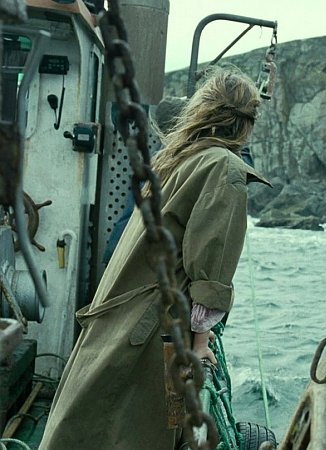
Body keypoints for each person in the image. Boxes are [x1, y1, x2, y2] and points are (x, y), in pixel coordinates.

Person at [40, 67, 270, 449]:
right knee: (134, 432)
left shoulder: (178, 157)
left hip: (120, 318)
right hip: (152, 330)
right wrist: (200, 344)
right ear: (246, 124)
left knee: (86, 423)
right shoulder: (224, 169)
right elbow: (210, 273)